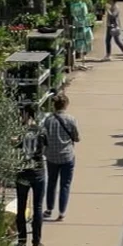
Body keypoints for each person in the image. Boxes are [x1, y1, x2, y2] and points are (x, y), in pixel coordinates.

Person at [41, 94, 79, 222]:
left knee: (51, 183)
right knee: (65, 185)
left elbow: (44, 137)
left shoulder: (48, 120)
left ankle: (49, 209)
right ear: (66, 105)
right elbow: (76, 137)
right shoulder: (71, 119)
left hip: (52, 156)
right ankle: (62, 212)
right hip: (67, 156)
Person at [14, 106, 46, 246]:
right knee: (38, 207)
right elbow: (46, 144)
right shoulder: (40, 130)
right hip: (38, 172)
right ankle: (36, 241)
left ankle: (21, 242)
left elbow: (14, 147)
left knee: (21, 207)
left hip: (22, 172)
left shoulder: (18, 132)